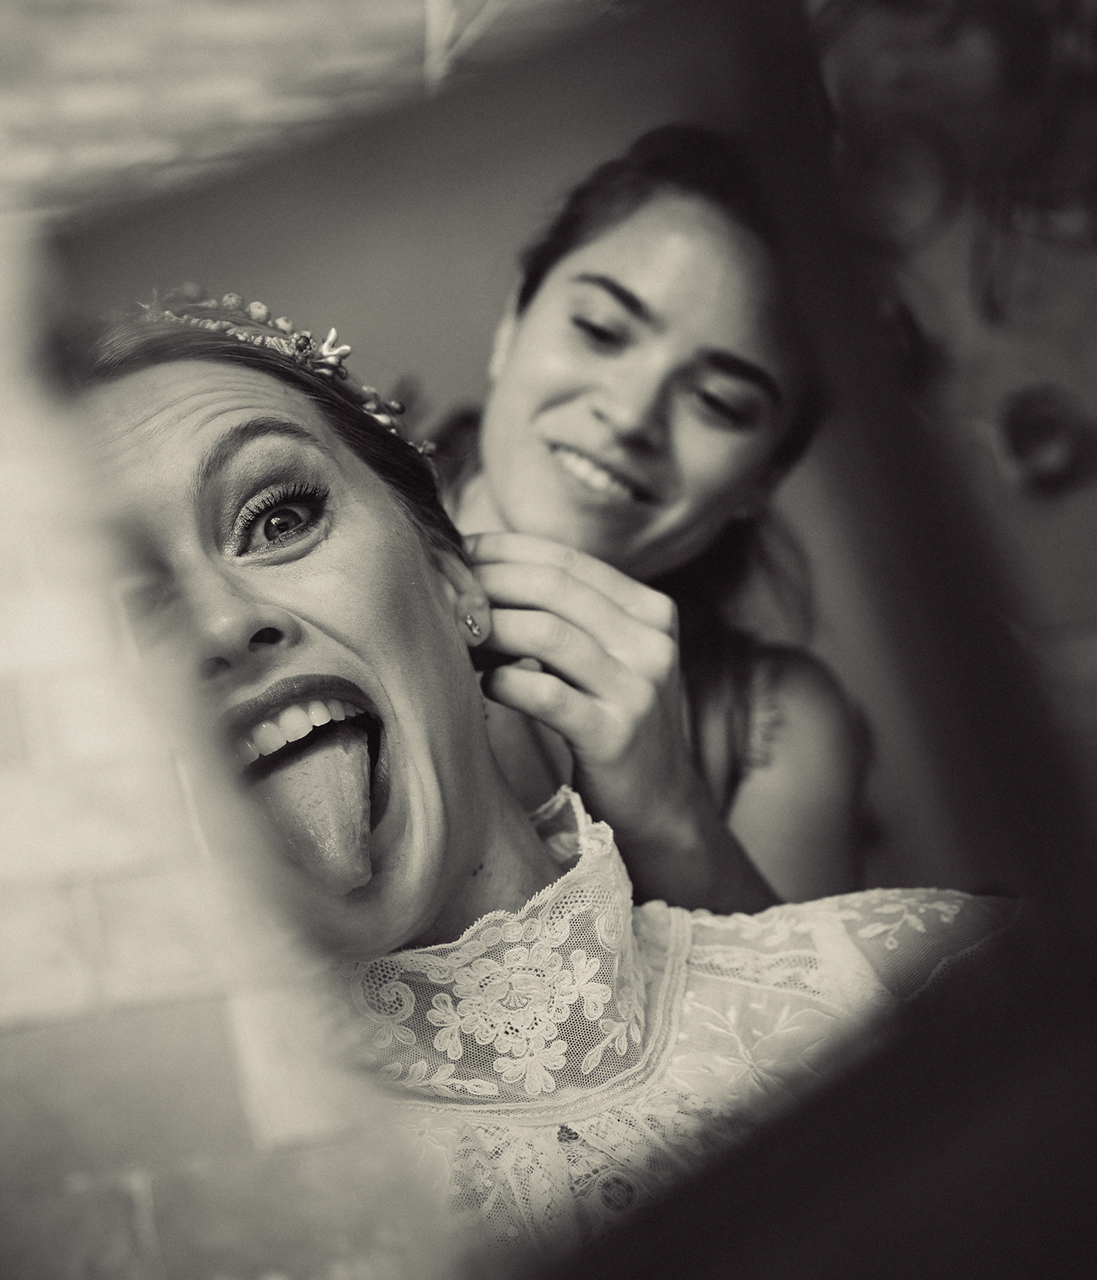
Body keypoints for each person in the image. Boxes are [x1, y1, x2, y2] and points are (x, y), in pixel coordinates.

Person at [56, 290, 1015, 1254]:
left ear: (454, 581)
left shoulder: (935, 973)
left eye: (279, 517)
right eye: (125, 609)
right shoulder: (155, 1231)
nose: (224, 624)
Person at [431, 125, 867, 907]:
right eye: (601, 330)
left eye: (720, 402)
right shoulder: (312, 567)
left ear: (765, 477)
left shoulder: (776, 727)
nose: (632, 416)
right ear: (512, 323)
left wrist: (670, 820)